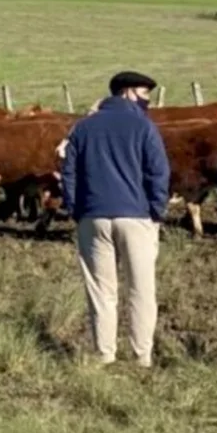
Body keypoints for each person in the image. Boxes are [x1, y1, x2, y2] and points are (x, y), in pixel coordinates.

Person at [60, 70, 171, 368]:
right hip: (136, 216)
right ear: (127, 93)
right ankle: (141, 355)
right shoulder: (144, 127)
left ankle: (104, 354)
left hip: (93, 216)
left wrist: (75, 209)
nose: (146, 100)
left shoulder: (83, 128)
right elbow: (158, 173)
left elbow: (68, 172)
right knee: (141, 289)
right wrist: (156, 211)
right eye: (144, 94)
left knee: (101, 291)